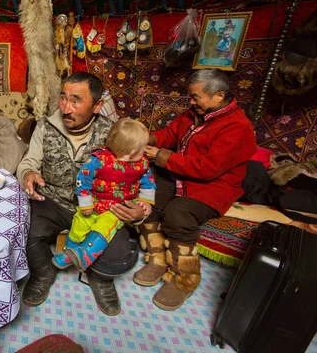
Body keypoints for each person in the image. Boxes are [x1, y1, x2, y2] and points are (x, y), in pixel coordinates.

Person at [17, 72, 146, 316]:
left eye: (76, 100)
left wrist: (138, 212)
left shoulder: (113, 133)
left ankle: (100, 279)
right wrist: (27, 175)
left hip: (100, 208)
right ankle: (44, 273)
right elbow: (29, 161)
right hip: (52, 200)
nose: (66, 108)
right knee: (22, 229)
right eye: (63, 98)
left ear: (97, 106)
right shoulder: (45, 126)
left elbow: (134, 177)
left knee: (120, 254)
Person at [139, 68, 256, 311]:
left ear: (219, 96)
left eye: (195, 97)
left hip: (213, 186)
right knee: (145, 198)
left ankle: (185, 280)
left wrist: (162, 156)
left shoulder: (238, 127)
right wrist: (146, 139)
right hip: (179, 174)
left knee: (177, 214)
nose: (190, 102)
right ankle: (157, 258)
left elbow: (208, 168)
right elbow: (168, 135)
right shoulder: (194, 114)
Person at [53, 118, 156, 272]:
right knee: (79, 223)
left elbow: (148, 182)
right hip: (95, 203)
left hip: (117, 208)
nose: (145, 152)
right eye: (143, 148)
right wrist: (86, 203)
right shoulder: (99, 160)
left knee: (103, 227)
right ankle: (69, 254)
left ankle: (86, 255)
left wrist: (145, 201)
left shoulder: (142, 164)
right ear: (132, 152)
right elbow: (83, 179)